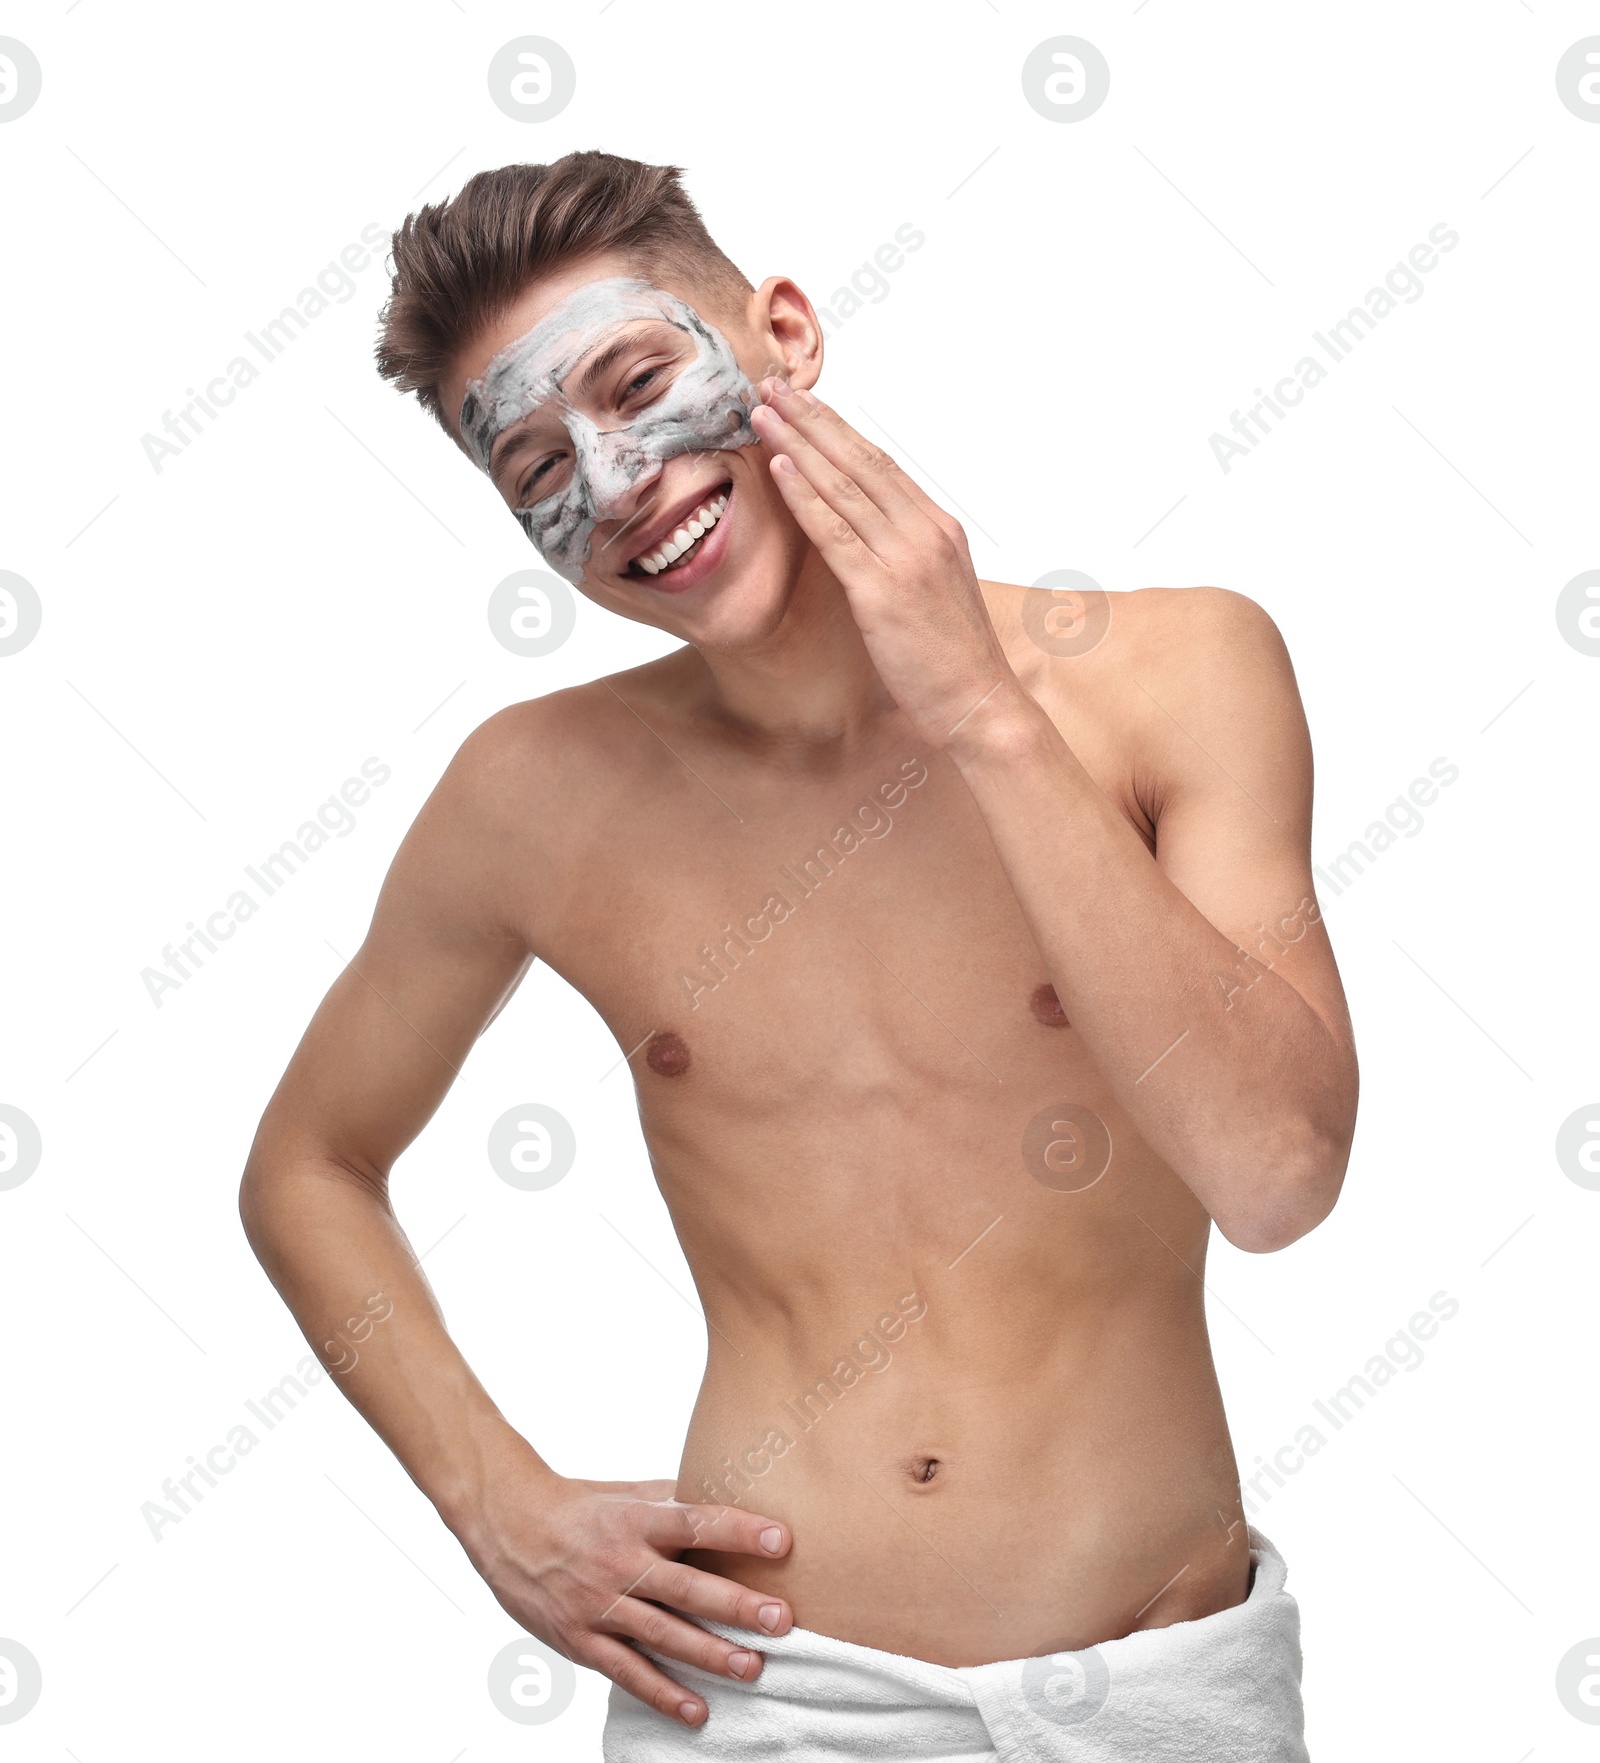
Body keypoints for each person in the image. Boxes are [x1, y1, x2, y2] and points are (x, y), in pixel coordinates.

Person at [239, 149, 1357, 1760]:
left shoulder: (1181, 673)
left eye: (638, 382)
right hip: (758, 1698)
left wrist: (979, 705)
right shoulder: (531, 798)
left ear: (782, 333)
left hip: (1152, 1689)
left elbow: (1280, 1175)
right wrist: (496, 1505)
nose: (617, 481)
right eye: (538, 462)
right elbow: (307, 1163)